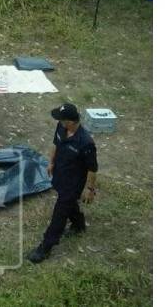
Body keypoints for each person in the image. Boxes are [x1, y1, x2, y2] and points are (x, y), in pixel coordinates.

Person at [28, 104, 98, 264]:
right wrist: (51, 162)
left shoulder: (86, 142)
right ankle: (79, 225)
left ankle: (45, 247)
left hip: (74, 183)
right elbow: (55, 144)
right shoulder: (61, 128)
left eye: (61, 120)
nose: (59, 122)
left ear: (70, 122)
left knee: (59, 213)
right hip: (59, 174)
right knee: (68, 203)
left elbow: (92, 169)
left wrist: (90, 189)